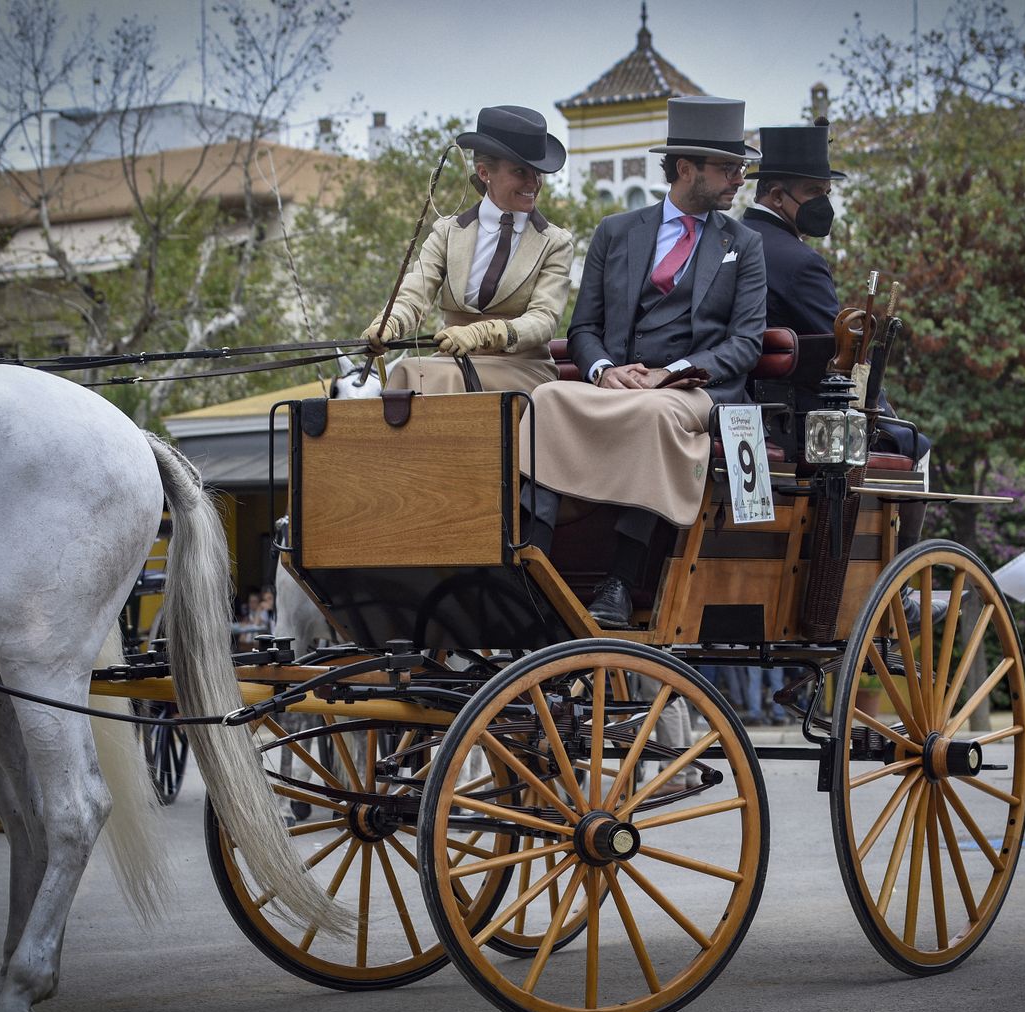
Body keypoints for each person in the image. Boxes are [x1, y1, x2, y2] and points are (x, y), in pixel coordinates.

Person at [521, 95, 767, 628]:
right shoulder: (615, 231)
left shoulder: (743, 245)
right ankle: (531, 562)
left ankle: (620, 579)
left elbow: (746, 343)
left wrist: (670, 374)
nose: (738, 180)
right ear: (686, 169)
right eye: (728, 168)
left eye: (741, 169)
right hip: (616, 383)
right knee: (546, 398)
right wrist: (604, 371)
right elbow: (582, 328)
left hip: (696, 391)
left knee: (654, 413)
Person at [738, 121, 925, 461]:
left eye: (827, 193)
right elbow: (842, 358)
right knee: (915, 444)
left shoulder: (730, 239)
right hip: (800, 416)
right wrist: (881, 408)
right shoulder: (802, 262)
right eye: (813, 192)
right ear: (777, 196)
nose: (824, 204)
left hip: (742, 399)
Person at [364, 105, 573, 394]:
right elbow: (414, 295)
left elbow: (543, 319)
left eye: (538, 173)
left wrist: (487, 333)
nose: (533, 183)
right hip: (452, 363)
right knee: (410, 372)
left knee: (431, 377)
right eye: (520, 171)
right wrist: (389, 324)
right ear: (484, 172)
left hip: (522, 369)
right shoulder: (447, 232)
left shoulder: (555, 243)